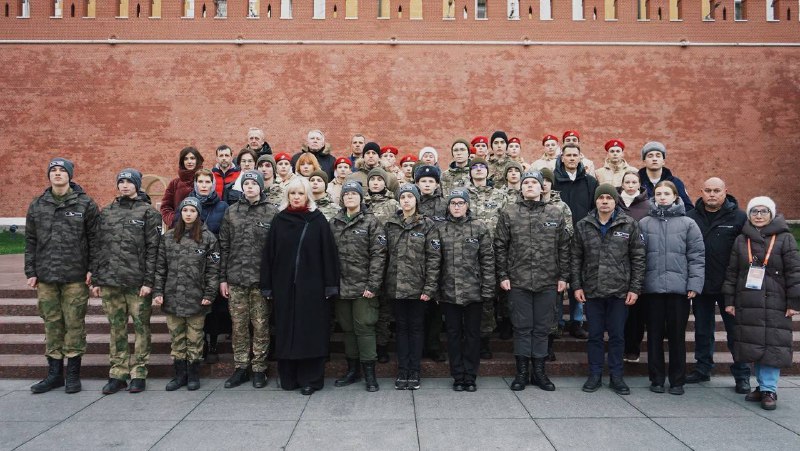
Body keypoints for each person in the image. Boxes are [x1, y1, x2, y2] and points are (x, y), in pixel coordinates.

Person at [260, 177, 340, 395]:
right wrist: (266, 285)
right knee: (287, 331)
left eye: (300, 193)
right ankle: (289, 377)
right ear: (288, 196)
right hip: (284, 288)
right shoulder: (279, 220)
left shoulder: (317, 220)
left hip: (312, 288)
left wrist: (330, 285)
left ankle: (311, 379)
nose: (296, 197)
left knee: (310, 332)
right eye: (293, 193)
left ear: (307, 196)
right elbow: (269, 254)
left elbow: (329, 254)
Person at [26, 158, 99, 394]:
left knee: (74, 324)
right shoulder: (38, 205)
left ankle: (73, 375)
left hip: (75, 275)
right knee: (52, 324)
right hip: (46, 275)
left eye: (62, 171)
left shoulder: (85, 204)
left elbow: (95, 240)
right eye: (53, 171)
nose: (57, 174)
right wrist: (31, 271)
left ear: (70, 175)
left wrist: (92, 269)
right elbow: (30, 241)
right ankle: (54, 374)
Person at [495, 170, 570, 392]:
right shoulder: (509, 213)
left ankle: (539, 372)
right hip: (518, 281)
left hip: (548, 281)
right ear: (521, 188)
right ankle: (521, 373)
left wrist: (564, 276)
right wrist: (503, 275)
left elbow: (564, 247)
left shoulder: (555, 213)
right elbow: (500, 246)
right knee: (522, 327)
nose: (529, 186)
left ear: (541, 188)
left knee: (542, 328)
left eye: (533, 183)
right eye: (526, 183)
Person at [723, 196, 800, 411]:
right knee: (754, 343)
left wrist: (794, 301)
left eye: (763, 211)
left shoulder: (785, 239)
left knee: (772, 345)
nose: (758, 215)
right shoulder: (741, 239)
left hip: (775, 300)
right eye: (754, 211)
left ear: (771, 214)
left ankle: (769, 389)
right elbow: (732, 272)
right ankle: (761, 385)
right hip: (748, 299)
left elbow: (795, 272)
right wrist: (729, 300)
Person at [572, 184, 646, 395]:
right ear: (595, 201)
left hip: (619, 291)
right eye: (601, 197)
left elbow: (638, 258)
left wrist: (635, 288)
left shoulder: (629, 224)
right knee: (594, 335)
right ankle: (594, 375)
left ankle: (617, 376)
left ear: (615, 201)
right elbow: (576, 258)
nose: (604, 201)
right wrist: (577, 285)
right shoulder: (583, 225)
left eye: (609, 198)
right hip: (593, 290)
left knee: (617, 336)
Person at [92, 169, 160, 395]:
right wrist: (97, 277)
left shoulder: (148, 213)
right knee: (116, 328)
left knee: (141, 327)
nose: (124, 185)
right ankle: (118, 372)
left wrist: (148, 281)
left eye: (129, 182)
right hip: (111, 281)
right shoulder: (107, 212)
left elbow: (154, 250)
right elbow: (99, 247)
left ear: (137, 185)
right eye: (121, 181)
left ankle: (139, 372)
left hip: (137, 282)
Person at [639, 181, 705, 395]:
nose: (662, 197)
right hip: (652, 290)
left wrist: (694, 284)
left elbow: (696, 256)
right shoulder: (645, 223)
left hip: (679, 291)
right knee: (654, 336)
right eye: (658, 193)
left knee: (677, 337)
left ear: (676, 196)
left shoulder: (688, 224)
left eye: (667, 193)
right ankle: (656, 379)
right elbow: (638, 256)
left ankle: (677, 380)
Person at [685, 178, 751, 392]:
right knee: (703, 330)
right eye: (708, 190)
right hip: (702, 283)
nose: (712, 194)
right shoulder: (691, 217)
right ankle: (703, 369)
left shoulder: (739, 217)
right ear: (701, 192)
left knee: (735, 332)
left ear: (725, 192)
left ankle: (742, 375)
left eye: (716, 191)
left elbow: (749, 250)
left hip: (730, 286)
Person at [218, 171, 279, 389]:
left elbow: (276, 250)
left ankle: (259, 368)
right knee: (238, 326)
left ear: (261, 187)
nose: (250, 187)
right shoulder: (231, 212)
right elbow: (223, 246)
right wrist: (223, 279)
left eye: (254, 183)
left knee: (261, 326)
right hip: (236, 279)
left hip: (260, 281)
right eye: (247, 183)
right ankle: (241, 367)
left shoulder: (271, 212)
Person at [153, 197, 220, 391]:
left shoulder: (208, 238)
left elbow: (213, 270)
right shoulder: (169, 237)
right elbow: (160, 267)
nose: (188, 214)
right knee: (177, 337)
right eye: (185, 210)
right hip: (173, 295)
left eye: (192, 210)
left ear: (198, 214)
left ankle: (193, 374)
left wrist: (209, 293)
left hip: (196, 297)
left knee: (194, 337)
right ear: (180, 213)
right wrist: (158, 291)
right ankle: (179, 374)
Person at [329, 181, 387, 392]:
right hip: (342, 286)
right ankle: (352, 370)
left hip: (364, 287)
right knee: (348, 330)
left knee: (364, 327)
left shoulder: (371, 222)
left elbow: (379, 256)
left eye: (354, 194)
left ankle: (370, 374)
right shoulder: (334, 222)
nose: (350, 197)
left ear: (361, 198)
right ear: (342, 198)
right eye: (347, 194)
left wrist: (373, 284)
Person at [384, 184, 442, 390]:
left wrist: (429, 288)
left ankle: (414, 371)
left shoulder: (427, 225)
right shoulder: (391, 224)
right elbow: (384, 256)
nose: (406, 200)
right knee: (401, 329)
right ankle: (403, 371)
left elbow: (434, 259)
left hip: (419, 288)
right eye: (403, 197)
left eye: (410, 196)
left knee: (416, 329)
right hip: (396, 286)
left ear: (416, 200)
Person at [437, 188, 495, 392]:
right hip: (448, 292)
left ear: (467, 205)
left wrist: (488, 288)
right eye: (453, 203)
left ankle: (470, 375)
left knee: (472, 335)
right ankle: (457, 375)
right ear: (448, 206)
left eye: (461, 203)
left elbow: (487, 259)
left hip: (474, 292)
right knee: (453, 335)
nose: (457, 206)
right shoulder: (441, 228)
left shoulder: (479, 227)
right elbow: (435, 261)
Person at [553, 143, 599, 340]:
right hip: (557, 239)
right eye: (568, 155)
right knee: (558, 281)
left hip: (582, 238)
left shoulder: (589, 182)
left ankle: (577, 320)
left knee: (578, 280)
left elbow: (594, 209)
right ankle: (557, 322)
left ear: (581, 158)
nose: (571, 158)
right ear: (562, 158)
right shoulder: (554, 181)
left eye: (575, 155)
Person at [467, 157, 508, 359]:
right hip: (466, 257)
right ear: (470, 172)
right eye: (475, 167)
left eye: (482, 166)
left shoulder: (500, 195)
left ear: (488, 171)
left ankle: (484, 341)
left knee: (487, 300)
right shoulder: (461, 195)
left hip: (491, 255)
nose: (479, 170)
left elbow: (507, 224)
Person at [190, 169, 229, 363]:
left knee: (215, 306)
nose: (204, 185)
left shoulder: (222, 206)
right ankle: (201, 342)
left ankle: (213, 342)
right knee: (197, 304)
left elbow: (226, 233)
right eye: (200, 182)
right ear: (196, 184)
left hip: (214, 260)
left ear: (213, 184)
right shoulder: (188, 205)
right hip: (193, 263)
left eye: (207, 182)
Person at [363, 167, 400, 364]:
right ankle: (368, 346)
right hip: (363, 261)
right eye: (372, 179)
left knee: (385, 307)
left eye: (379, 179)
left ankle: (382, 345)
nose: (375, 182)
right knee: (368, 305)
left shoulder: (393, 204)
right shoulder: (361, 203)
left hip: (387, 259)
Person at [617, 171, 650, 363]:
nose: (630, 185)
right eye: (627, 182)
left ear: (639, 184)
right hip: (617, 264)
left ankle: (633, 348)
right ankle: (618, 346)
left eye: (634, 182)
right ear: (621, 184)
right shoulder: (614, 203)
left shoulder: (648, 206)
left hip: (638, 261)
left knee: (636, 313)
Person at [415, 165, 447, 362]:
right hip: (416, 262)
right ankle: (418, 346)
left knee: (435, 308)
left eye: (431, 181)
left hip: (439, 260)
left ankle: (433, 346)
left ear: (436, 184)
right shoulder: (411, 201)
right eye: (423, 181)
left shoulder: (444, 204)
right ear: (417, 183)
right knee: (418, 308)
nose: (427, 184)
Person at [637, 141, 693, 210]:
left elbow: (688, 207)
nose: (654, 159)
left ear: (663, 161)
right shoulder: (636, 183)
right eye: (650, 156)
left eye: (658, 156)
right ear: (644, 161)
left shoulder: (675, 183)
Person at [161, 146, 204, 228]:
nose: (189, 161)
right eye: (186, 159)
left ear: (197, 160)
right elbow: (165, 206)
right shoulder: (175, 183)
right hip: (178, 229)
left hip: (200, 228)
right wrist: (174, 220)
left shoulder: (205, 180)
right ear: (182, 162)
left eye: (192, 158)